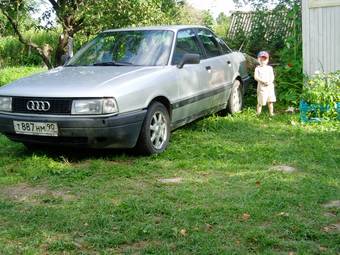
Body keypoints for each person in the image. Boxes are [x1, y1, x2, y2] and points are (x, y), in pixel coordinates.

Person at [254, 51, 276, 116]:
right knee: (260, 102)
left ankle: (271, 113)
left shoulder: (270, 68)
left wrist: (269, 82)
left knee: (270, 101)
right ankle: (258, 113)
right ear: (258, 60)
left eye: (264, 59)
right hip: (262, 87)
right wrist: (262, 81)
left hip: (269, 87)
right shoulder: (257, 68)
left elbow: (272, 77)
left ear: (267, 60)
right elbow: (256, 77)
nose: (263, 61)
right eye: (261, 59)